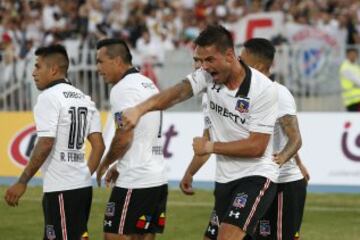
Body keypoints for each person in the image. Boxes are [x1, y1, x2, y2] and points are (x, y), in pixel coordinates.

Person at [120, 25, 279, 240]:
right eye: (200, 60)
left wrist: (210, 147)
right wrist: (140, 109)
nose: (203, 67)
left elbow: (257, 146)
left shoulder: (263, 89)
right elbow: (177, 92)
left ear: (230, 56)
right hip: (224, 178)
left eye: (209, 60)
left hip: (257, 175)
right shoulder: (207, 76)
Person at [4, 44, 105, 240]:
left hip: (61, 189)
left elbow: (45, 143)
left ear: (53, 70)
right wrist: (83, 176)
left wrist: (22, 182)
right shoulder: (85, 98)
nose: (33, 73)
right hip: (81, 188)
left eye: (37, 66)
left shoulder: (48, 97)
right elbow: (99, 146)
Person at [95, 38, 167, 240]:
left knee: (113, 235)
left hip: (136, 179)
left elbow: (124, 135)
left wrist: (106, 162)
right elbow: (145, 131)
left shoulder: (122, 89)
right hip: (156, 176)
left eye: (101, 61)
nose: (98, 68)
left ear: (117, 61)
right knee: (143, 236)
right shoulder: (147, 83)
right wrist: (119, 166)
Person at [239, 38, 309, 240]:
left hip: (283, 184)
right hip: (260, 181)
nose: (238, 65)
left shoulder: (279, 93)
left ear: (259, 66)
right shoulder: (246, 94)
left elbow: (295, 139)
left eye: (243, 61)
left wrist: (278, 162)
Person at [339, 47, 360, 111]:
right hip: (352, 100)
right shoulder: (345, 67)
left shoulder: (356, 66)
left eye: (355, 54)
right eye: (351, 54)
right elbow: (357, 80)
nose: (353, 56)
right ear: (347, 55)